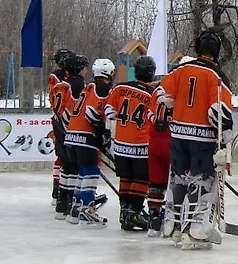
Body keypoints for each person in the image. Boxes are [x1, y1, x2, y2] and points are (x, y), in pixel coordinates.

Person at [156, 31, 234, 249]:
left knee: (179, 178)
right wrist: (225, 142)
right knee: (201, 181)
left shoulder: (180, 70)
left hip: (178, 137)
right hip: (203, 139)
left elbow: (163, 95)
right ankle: (196, 231)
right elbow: (220, 113)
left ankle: (173, 226)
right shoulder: (216, 76)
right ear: (217, 51)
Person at [105, 55, 157, 231]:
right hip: (141, 144)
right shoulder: (152, 94)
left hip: (121, 143)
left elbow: (109, 111)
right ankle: (134, 212)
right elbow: (155, 119)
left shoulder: (120, 88)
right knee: (143, 178)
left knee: (126, 178)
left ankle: (125, 212)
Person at [145, 55, 194, 237]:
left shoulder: (159, 87)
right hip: (174, 139)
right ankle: (177, 220)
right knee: (180, 181)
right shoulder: (185, 87)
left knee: (156, 182)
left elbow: (150, 115)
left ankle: (154, 221)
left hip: (154, 138)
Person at [63, 58, 115, 228]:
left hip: (72, 134)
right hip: (85, 135)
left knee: (83, 171)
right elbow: (92, 112)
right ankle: (86, 209)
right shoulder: (103, 88)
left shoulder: (88, 87)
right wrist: (103, 131)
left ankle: (76, 208)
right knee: (91, 170)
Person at [51, 54, 88, 221]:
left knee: (66, 166)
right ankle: (70, 203)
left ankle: (62, 202)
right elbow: (73, 110)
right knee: (73, 167)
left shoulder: (62, 85)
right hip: (69, 131)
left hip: (59, 129)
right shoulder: (78, 85)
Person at [48, 49, 74, 206]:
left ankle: (59, 188)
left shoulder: (59, 76)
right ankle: (58, 188)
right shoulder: (59, 77)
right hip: (62, 120)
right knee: (63, 155)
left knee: (63, 155)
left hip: (60, 118)